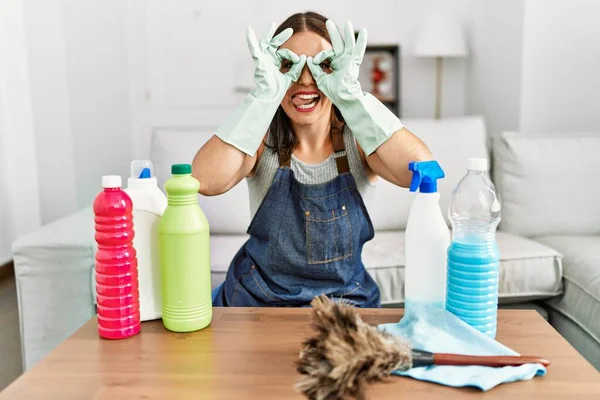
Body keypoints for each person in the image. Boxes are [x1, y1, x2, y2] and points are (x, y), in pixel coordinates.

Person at [192, 11, 433, 307]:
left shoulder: (358, 140)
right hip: (258, 300)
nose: (306, 79)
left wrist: (352, 96)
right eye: (288, 65)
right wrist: (263, 97)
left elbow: (422, 171)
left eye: (323, 65)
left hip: (344, 305)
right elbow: (203, 181)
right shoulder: (260, 140)